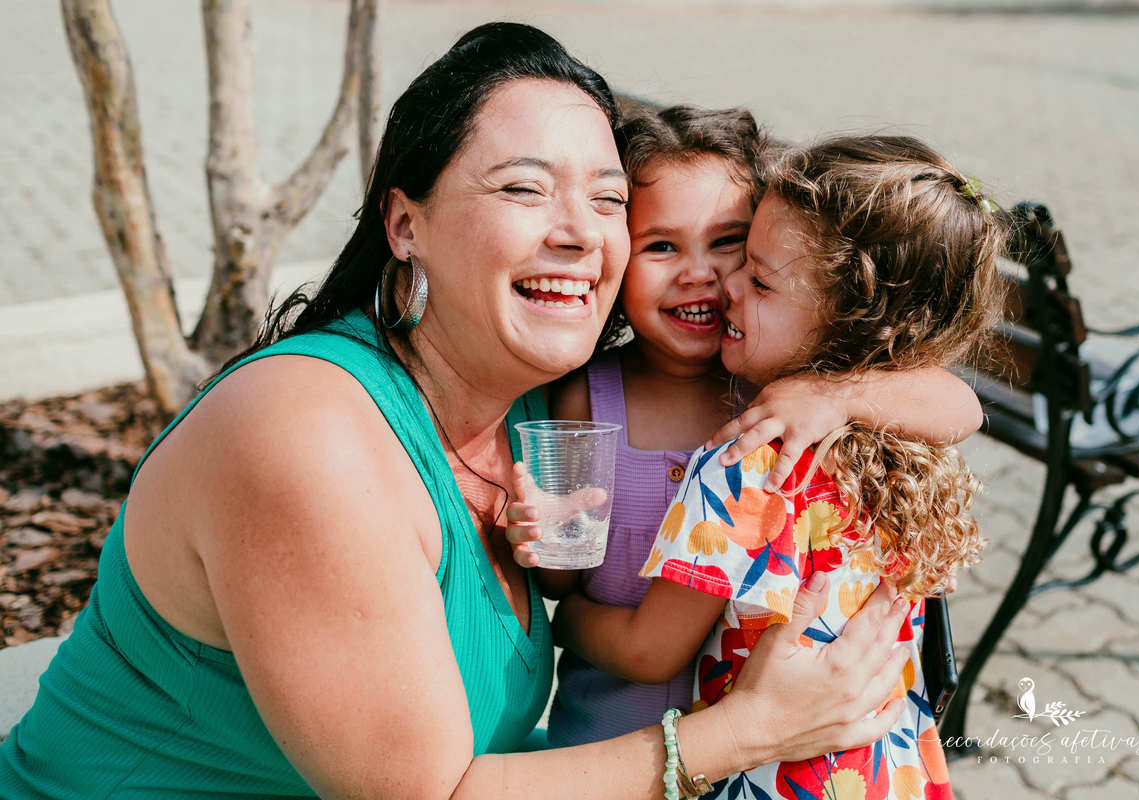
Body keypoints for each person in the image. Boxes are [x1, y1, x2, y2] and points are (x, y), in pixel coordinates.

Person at [0, 23, 917, 799]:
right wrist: (752, 731)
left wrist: (834, 389)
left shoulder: (529, 409)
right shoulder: (308, 433)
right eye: (524, 187)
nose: (578, 232)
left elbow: (935, 389)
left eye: (605, 200)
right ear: (405, 225)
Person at [538, 137, 1005, 799]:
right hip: (879, 770)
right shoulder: (898, 445)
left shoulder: (748, 454)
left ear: (843, 321)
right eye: (662, 245)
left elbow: (650, 650)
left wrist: (560, 621)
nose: (721, 283)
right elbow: (959, 407)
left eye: (755, 275)